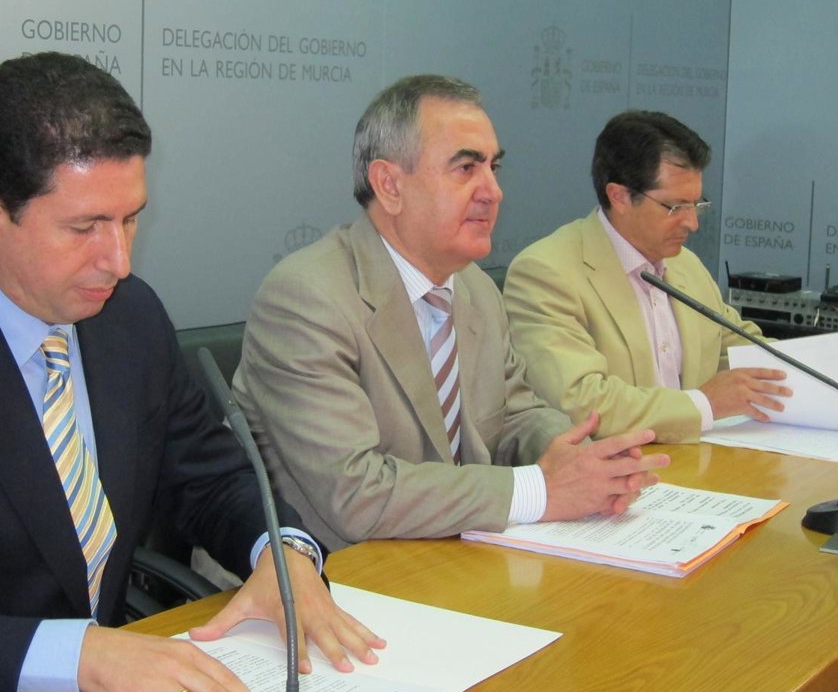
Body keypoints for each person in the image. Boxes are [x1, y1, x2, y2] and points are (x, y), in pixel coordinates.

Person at [0, 52, 380, 692]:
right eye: (85, 227)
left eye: (129, 219)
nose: (119, 260)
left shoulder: (130, 317)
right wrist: (77, 656)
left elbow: (210, 478)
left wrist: (283, 553)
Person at [233, 75, 669, 554]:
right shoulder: (307, 298)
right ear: (389, 185)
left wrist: (582, 459)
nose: (493, 191)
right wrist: (542, 489)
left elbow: (514, 415)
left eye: (494, 167)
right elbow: (357, 494)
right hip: (328, 571)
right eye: (466, 168)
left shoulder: (475, 288)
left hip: (447, 553)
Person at [503, 109, 838, 443]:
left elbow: (744, 350)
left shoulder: (684, 265)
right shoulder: (547, 273)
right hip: (616, 479)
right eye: (675, 207)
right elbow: (581, 403)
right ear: (618, 195)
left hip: (697, 465)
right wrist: (705, 404)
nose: (692, 223)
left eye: (697, 204)